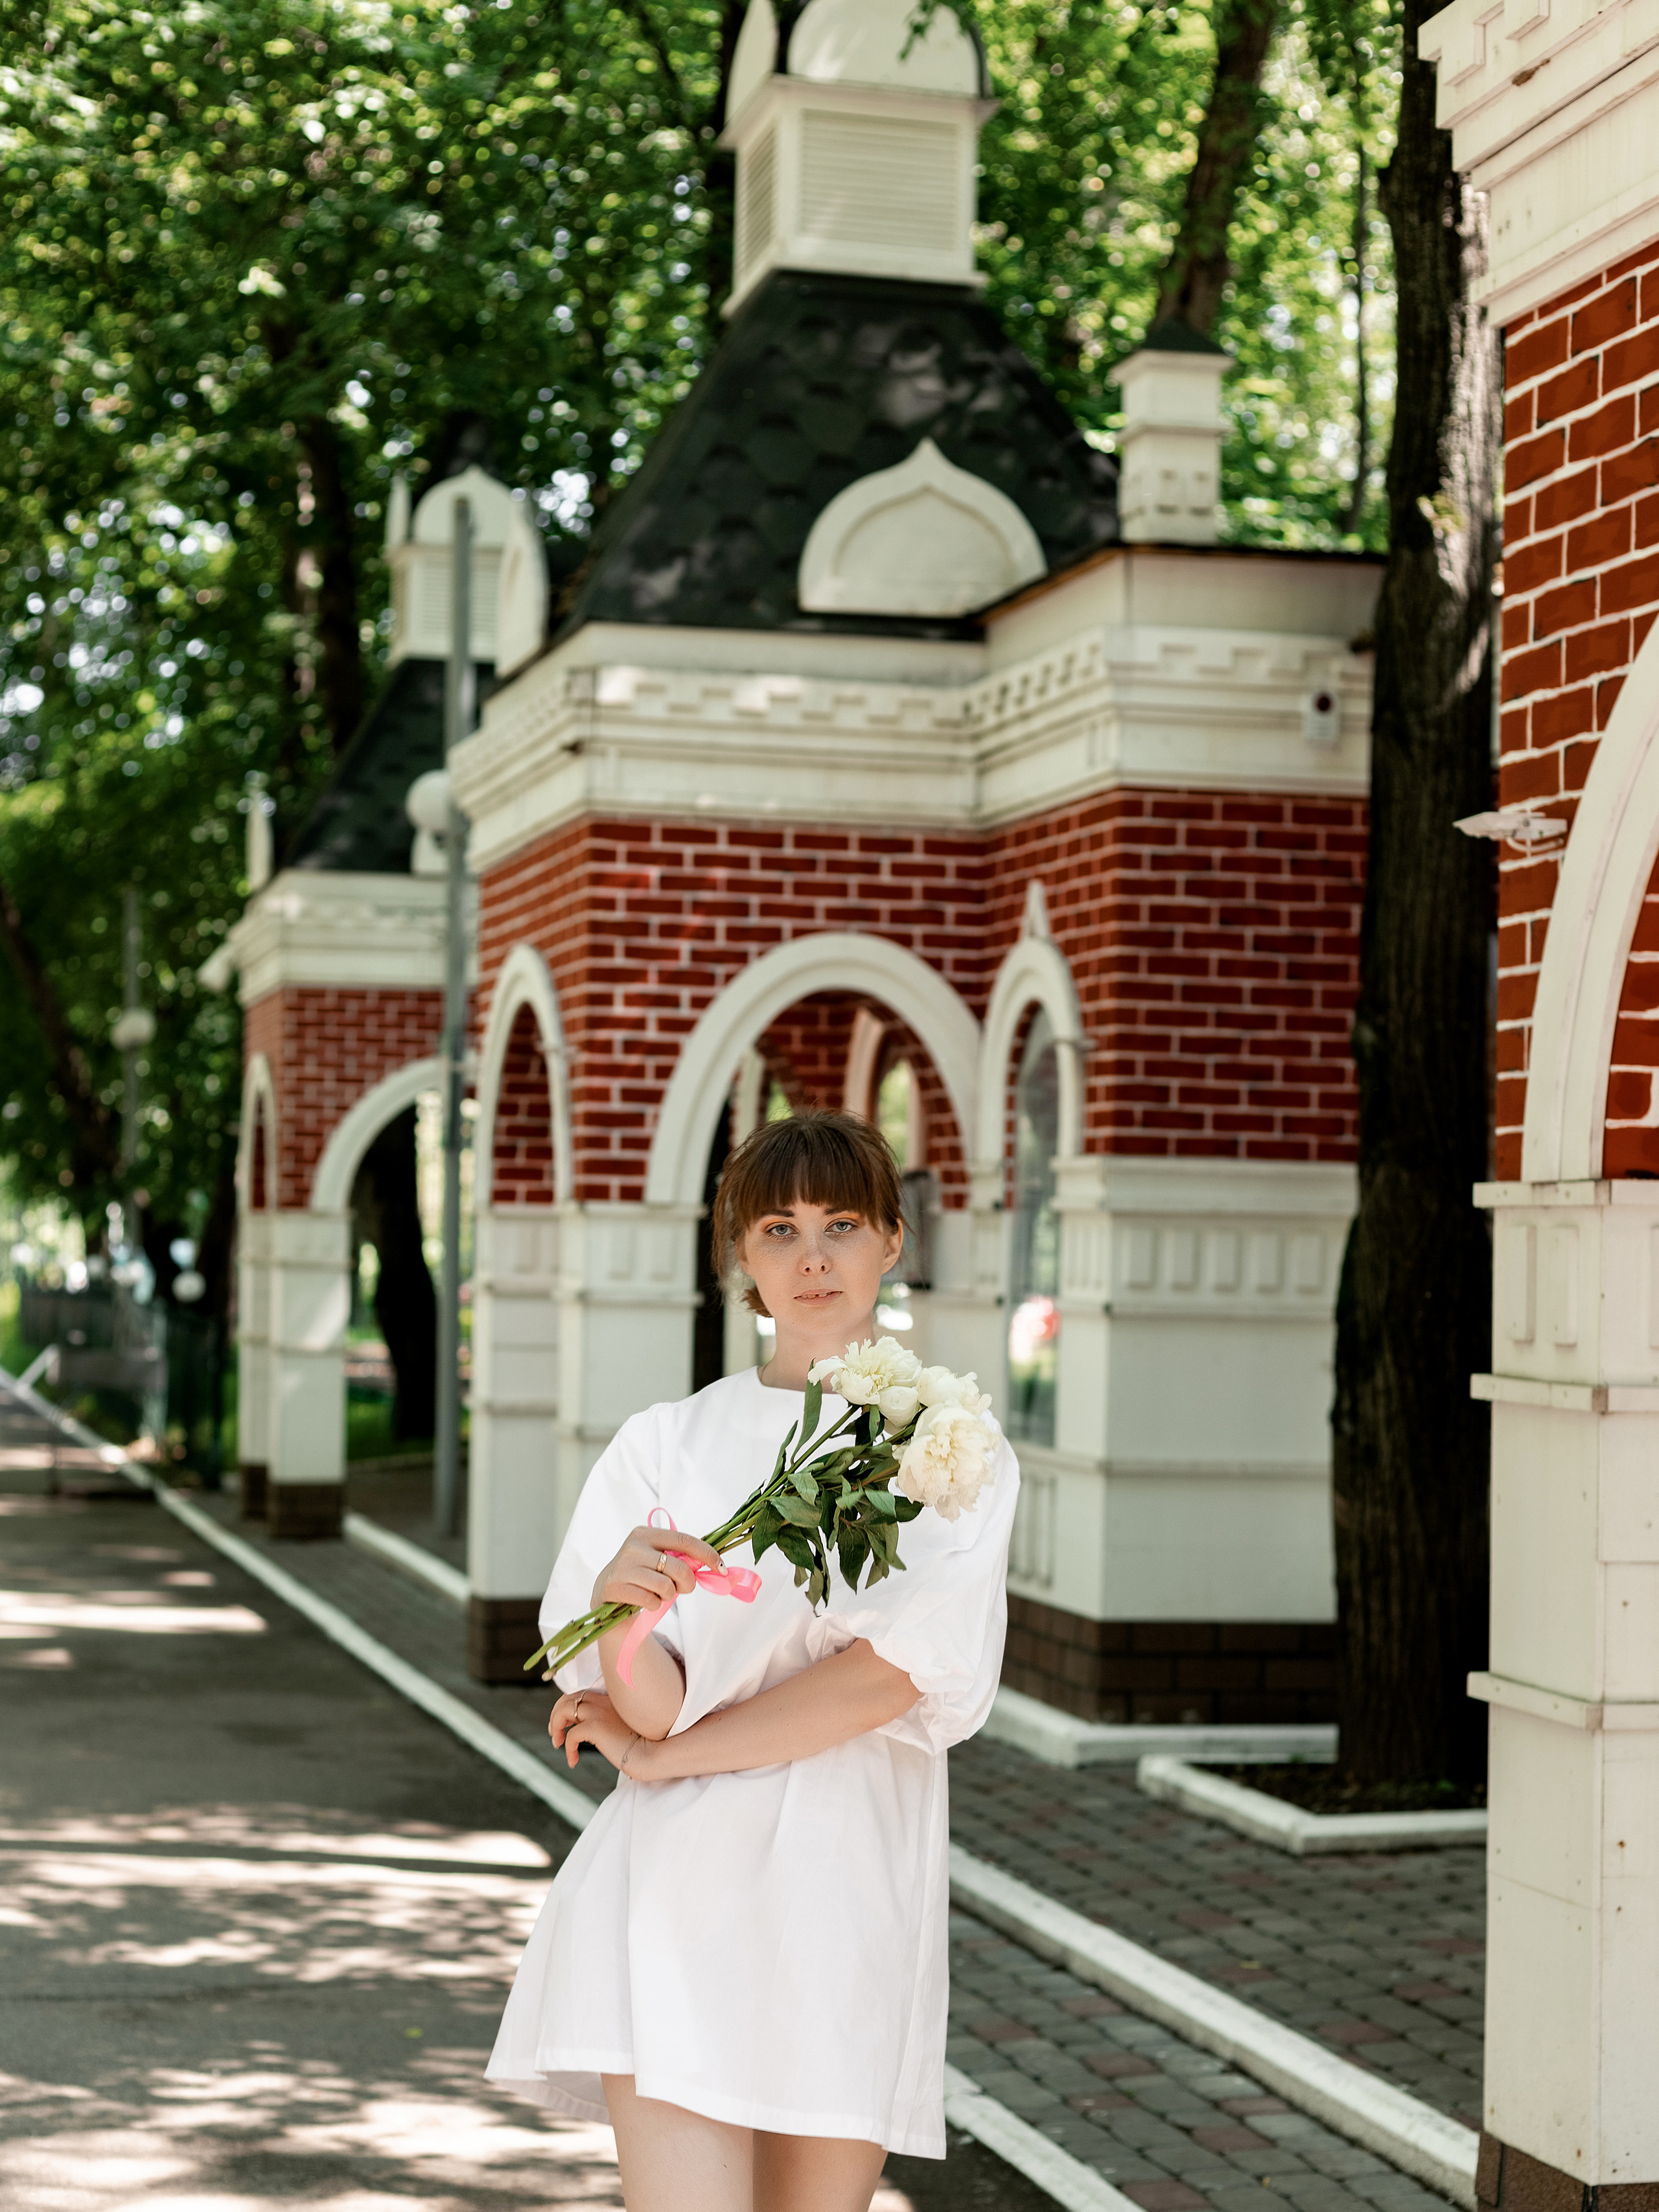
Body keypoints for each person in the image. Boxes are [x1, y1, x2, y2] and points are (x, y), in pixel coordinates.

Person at [487, 1107, 1019, 2212]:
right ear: (741, 1254)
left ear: (891, 1241)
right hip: (673, 1895)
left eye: (840, 1222)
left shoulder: (952, 1449)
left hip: (843, 1895)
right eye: (777, 1226)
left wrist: (665, 1762)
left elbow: (886, 1679)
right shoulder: (665, 1442)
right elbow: (657, 1704)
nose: (812, 1254)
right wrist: (620, 1609)